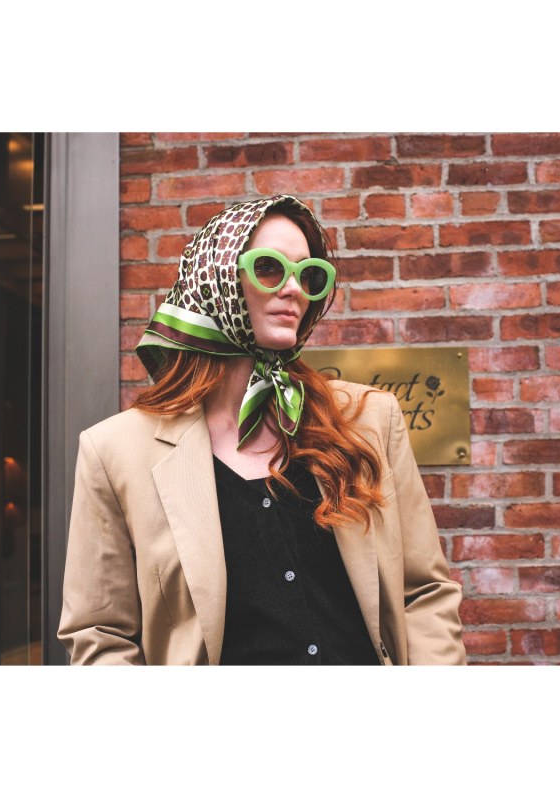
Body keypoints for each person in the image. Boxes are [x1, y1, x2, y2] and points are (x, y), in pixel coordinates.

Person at [58, 194, 466, 665]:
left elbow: (425, 591)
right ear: (218, 278)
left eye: (310, 275)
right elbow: (100, 633)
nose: (294, 288)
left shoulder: (370, 420)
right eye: (270, 268)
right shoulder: (115, 452)